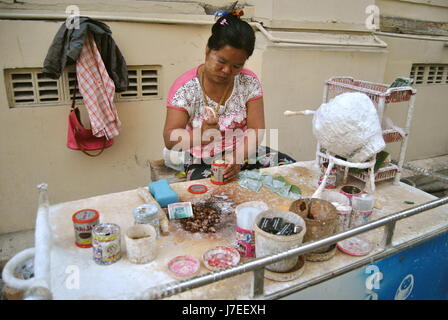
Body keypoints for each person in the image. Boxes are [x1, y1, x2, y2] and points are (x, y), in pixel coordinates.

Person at [163, 12, 295, 181]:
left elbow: (256, 130)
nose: (227, 71)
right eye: (221, 61)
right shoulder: (185, 89)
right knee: (217, 189)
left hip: (244, 152)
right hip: (201, 159)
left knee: (290, 170)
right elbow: (169, 139)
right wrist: (200, 135)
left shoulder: (249, 82)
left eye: (236, 66)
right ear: (207, 50)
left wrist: (237, 158)